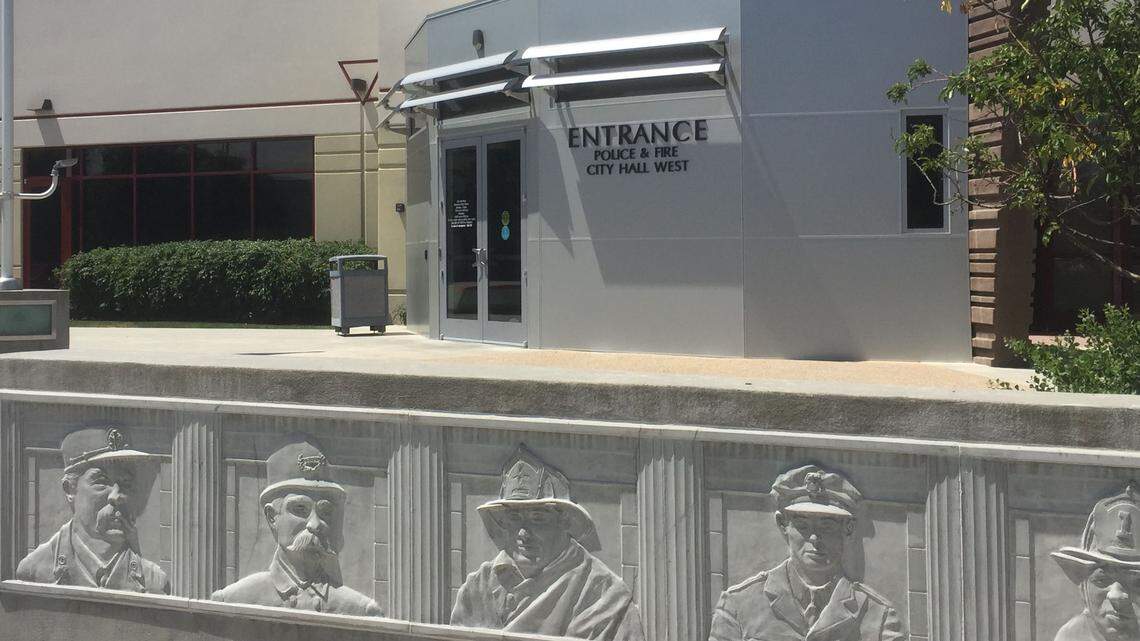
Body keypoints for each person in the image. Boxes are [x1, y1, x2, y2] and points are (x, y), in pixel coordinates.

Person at [450, 444, 643, 641]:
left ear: (564, 521)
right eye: (514, 518)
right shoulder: (478, 586)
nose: (523, 533)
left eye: (537, 518)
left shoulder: (603, 593)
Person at [709, 464, 907, 641]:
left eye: (827, 526)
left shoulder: (879, 617)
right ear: (782, 525)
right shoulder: (738, 605)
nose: (814, 538)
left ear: (848, 528)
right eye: (802, 526)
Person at [211, 435, 381, 616]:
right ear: (272, 517)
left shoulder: (359, 609)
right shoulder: (236, 599)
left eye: (325, 511)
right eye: (300, 508)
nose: (315, 524)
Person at [17, 427, 168, 594]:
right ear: (69, 490)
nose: (116, 496)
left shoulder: (154, 580)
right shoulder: (34, 569)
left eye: (125, 482)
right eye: (101, 481)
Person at [1051, 482, 1140, 641]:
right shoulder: (1071, 636)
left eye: (1137, 583)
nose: (1116, 596)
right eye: (1101, 579)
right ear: (1083, 588)